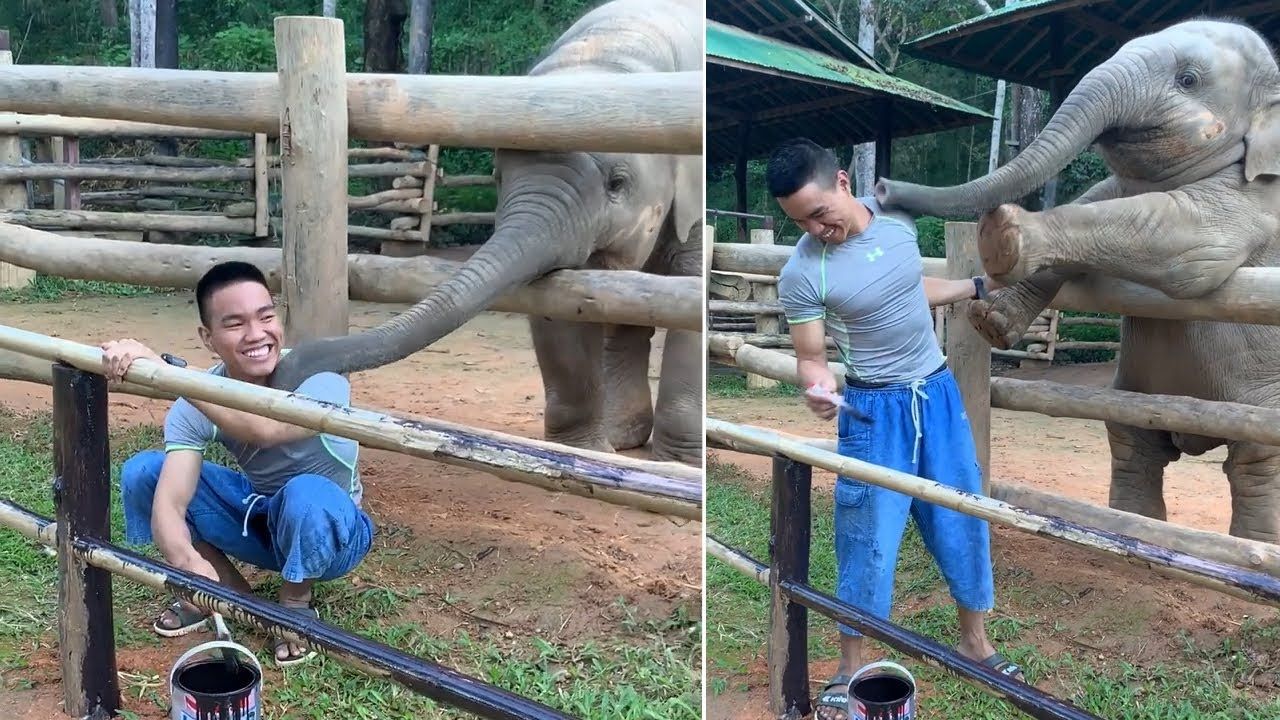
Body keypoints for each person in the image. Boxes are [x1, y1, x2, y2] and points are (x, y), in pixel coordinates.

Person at [766, 138, 1022, 720]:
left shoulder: (899, 221)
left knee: (962, 512)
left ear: (843, 185)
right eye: (800, 221)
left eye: (819, 213)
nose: (814, 228)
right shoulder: (803, 270)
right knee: (866, 536)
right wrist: (817, 387)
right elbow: (810, 356)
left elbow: (906, 288)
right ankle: (852, 666)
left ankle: (976, 644)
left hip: (936, 394)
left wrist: (971, 287)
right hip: (873, 411)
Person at [102, 260, 374, 667]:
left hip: (335, 532)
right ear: (207, 338)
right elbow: (171, 502)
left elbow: (265, 429)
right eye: (235, 324)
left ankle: (294, 608)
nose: (257, 335)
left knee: (307, 493)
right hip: (264, 517)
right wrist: (186, 562)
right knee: (145, 472)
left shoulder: (321, 376)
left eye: (266, 317)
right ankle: (229, 598)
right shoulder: (194, 401)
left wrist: (171, 376)